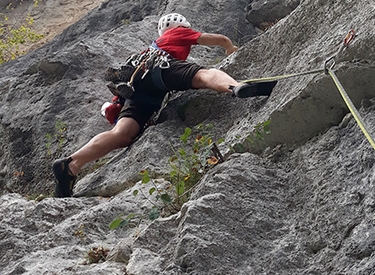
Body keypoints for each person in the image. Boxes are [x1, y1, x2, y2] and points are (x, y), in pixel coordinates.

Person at [53, 13, 276, 197]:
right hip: (161, 67)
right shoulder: (176, 32)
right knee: (203, 74)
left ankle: (71, 164)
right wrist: (230, 48)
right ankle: (235, 87)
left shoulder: (143, 52)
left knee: (122, 133)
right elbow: (217, 39)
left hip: (138, 85)